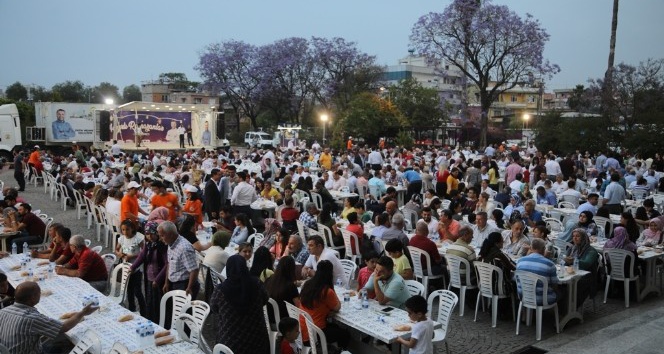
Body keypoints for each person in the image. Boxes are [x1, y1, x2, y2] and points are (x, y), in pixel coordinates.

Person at [0, 281, 98, 354]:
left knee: (55, 342)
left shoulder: (3, 311)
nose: (40, 294)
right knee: (66, 344)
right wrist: (82, 313)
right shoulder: (31, 318)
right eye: (39, 292)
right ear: (32, 298)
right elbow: (64, 327)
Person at [211, 254, 270, 354]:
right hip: (257, 339)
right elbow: (265, 299)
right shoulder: (257, 284)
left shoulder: (221, 290)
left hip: (230, 341)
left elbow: (214, 307)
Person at [298, 260, 349, 349]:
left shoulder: (308, 284)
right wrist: (332, 290)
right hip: (314, 332)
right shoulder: (326, 291)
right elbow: (337, 307)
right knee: (345, 334)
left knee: (336, 327)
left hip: (302, 328)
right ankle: (341, 351)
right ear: (330, 274)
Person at [130, 221, 167, 323]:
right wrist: (133, 267)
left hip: (159, 280)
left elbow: (167, 264)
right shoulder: (148, 244)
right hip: (149, 278)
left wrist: (158, 279)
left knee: (158, 303)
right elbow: (142, 256)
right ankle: (150, 321)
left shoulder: (162, 246)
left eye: (152, 233)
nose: (149, 236)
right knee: (150, 301)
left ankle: (159, 322)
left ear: (157, 233)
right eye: (147, 234)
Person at [159, 221, 200, 299]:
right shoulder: (170, 243)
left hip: (184, 285)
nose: (160, 239)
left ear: (170, 234)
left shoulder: (184, 248)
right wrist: (166, 282)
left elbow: (194, 270)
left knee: (184, 310)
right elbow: (169, 263)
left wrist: (189, 287)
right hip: (174, 283)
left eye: (162, 236)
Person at [515, 238, 559, 306]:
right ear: (544, 249)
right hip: (543, 300)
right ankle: (555, 315)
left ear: (531, 248)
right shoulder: (549, 264)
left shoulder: (520, 261)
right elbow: (555, 285)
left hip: (523, 296)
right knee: (563, 291)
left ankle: (529, 314)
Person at [116, 220, 146, 314]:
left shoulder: (138, 238)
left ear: (132, 229)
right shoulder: (121, 239)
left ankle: (143, 310)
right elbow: (116, 250)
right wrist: (120, 254)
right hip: (126, 267)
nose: (125, 232)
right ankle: (132, 309)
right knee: (129, 290)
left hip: (136, 267)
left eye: (127, 230)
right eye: (123, 230)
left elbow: (144, 252)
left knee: (137, 291)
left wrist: (132, 256)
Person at [265, 256, 301, 322]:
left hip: (268, 321)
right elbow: (299, 307)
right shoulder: (290, 286)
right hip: (285, 324)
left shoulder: (268, 280)